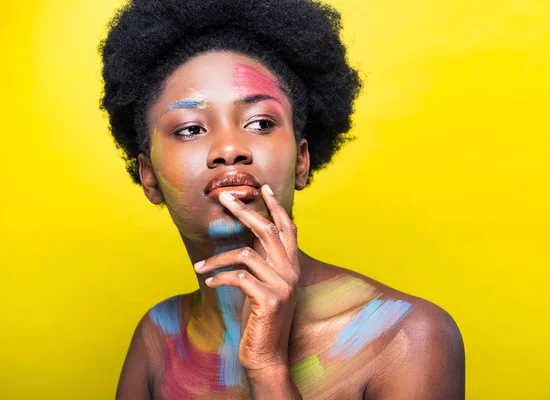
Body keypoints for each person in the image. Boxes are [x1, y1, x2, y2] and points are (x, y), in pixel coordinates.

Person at [99, 0, 465, 398]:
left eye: (260, 122)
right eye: (189, 129)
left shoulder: (403, 336)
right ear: (148, 177)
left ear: (302, 161)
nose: (229, 148)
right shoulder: (159, 338)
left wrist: (267, 367)